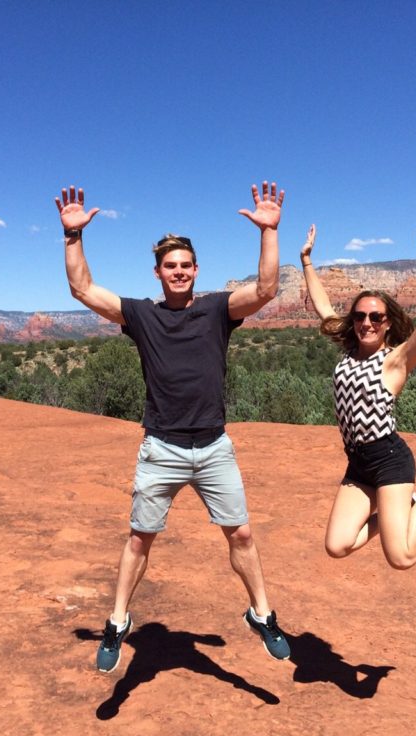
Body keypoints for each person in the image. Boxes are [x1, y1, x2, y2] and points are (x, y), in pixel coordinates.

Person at [55, 182, 291, 673]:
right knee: (141, 537)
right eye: (170, 265)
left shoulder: (218, 310)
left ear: (196, 270)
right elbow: (83, 290)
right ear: (158, 272)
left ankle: (262, 614)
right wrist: (73, 238)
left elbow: (266, 289)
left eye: (186, 264)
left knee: (242, 535)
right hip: (162, 448)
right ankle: (118, 622)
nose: (179, 271)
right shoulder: (141, 315)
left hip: (213, 447)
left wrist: (269, 232)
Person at [298, 214, 416, 570]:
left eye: (376, 317)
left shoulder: (396, 361)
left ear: (387, 321)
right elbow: (324, 308)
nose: (366, 323)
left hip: (388, 458)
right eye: (360, 316)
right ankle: (404, 507)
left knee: (403, 557)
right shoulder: (348, 350)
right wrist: (307, 261)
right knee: (338, 545)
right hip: (358, 462)